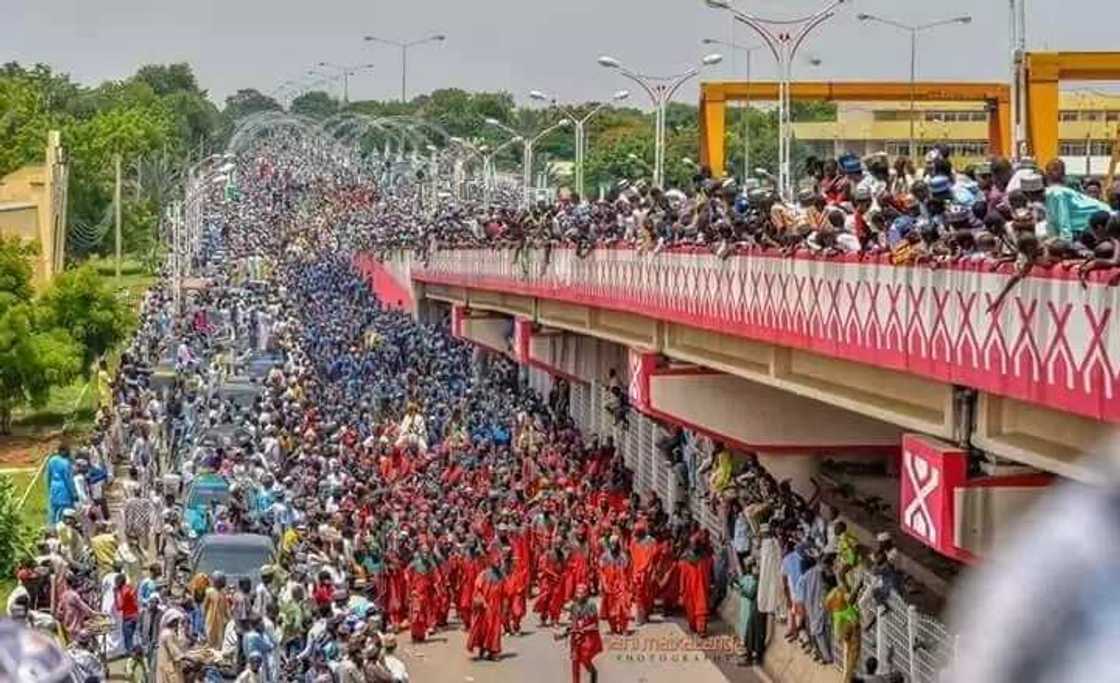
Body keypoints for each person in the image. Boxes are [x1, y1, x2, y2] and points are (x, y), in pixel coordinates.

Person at [564, 583, 603, 683]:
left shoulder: (591, 605)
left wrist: (584, 629)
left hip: (588, 637)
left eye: (581, 592)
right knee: (575, 661)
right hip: (575, 638)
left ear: (586, 594)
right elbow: (572, 622)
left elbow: (595, 625)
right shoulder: (574, 605)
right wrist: (565, 632)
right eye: (577, 592)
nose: (579, 595)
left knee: (585, 658)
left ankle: (593, 673)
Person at [734, 557, 766, 667]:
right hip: (760, 609)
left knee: (752, 634)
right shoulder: (761, 581)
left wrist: (739, 588)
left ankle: (751, 657)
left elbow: (750, 594)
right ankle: (756, 657)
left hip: (756, 609)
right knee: (757, 634)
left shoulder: (757, 582)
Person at [46, 442, 77, 525]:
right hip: (64, 489)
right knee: (65, 512)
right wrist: (74, 494)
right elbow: (69, 480)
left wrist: (49, 488)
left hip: (54, 488)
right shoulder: (66, 463)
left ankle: (52, 528)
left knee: (53, 511)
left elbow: (48, 476)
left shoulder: (51, 460)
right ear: (64, 451)